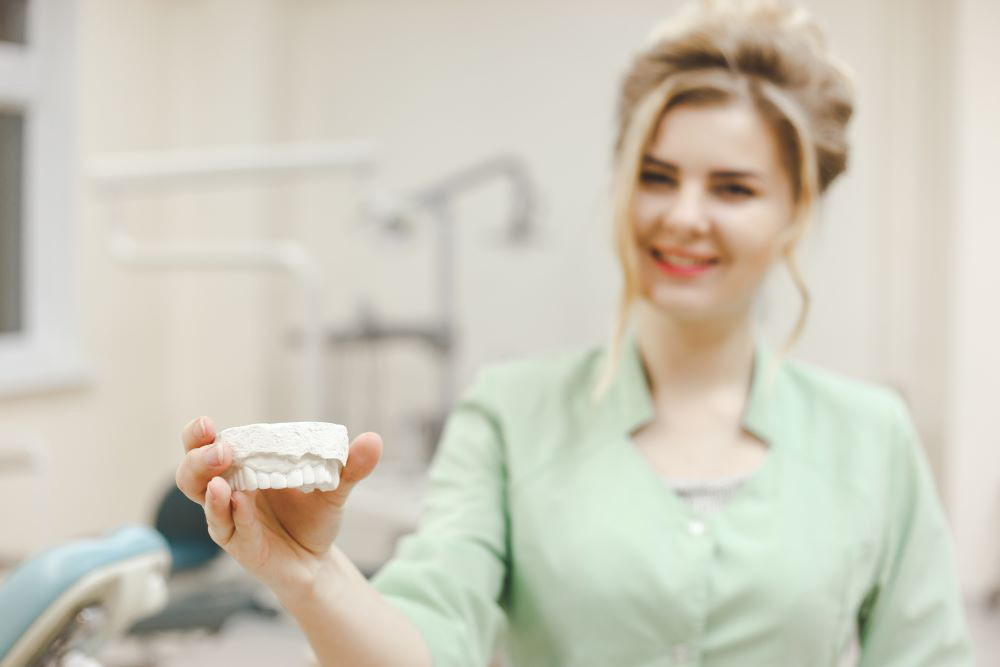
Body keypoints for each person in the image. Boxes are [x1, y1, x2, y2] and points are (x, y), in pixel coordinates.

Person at [174, 1, 973, 665]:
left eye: (733, 187)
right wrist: (310, 575)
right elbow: (426, 642)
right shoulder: (511, 414)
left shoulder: (872, 437)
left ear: (796, 209)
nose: (683, 216)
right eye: (656, 176)